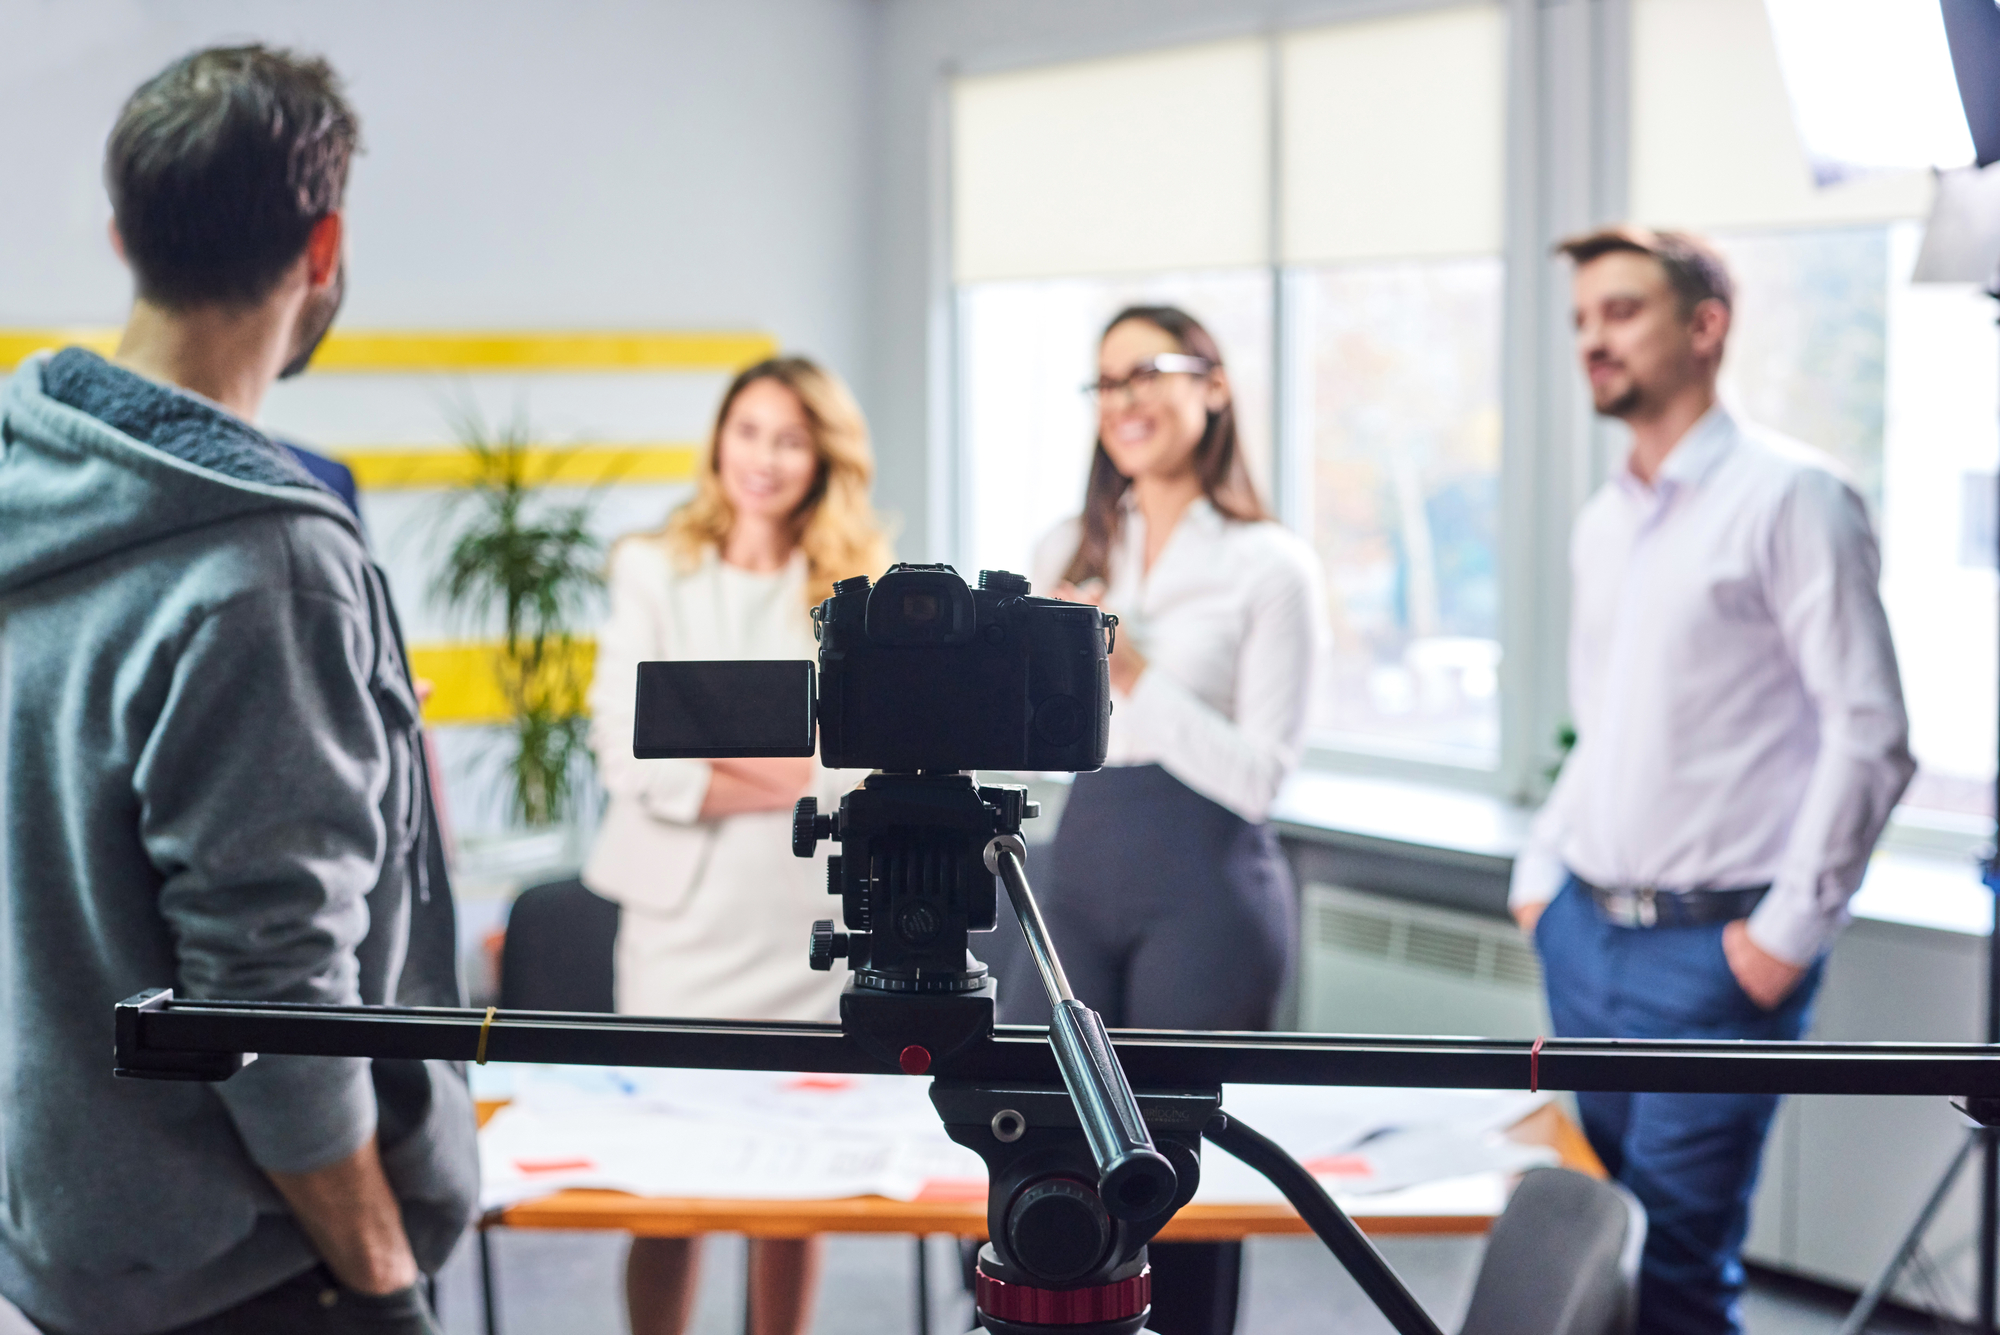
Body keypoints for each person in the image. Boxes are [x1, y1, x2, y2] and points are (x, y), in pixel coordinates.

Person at [0, 45, 477, 1335]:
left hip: (67, 1255)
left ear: (122, 236)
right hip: (264, 1276)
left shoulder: (25, 478)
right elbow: (270, 1001)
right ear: (322, 250)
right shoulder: (270, 563)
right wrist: (381, 1277)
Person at [1511, 226, 1914, 1335]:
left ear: (1704, 327)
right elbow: (1601, 728)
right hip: (1584, 937)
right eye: (1582, 319)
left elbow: (1869, 733)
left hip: (1713, 960)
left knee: (1679, 1272)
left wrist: (1783, 937)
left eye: (1622, 312)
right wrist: (1539, 878)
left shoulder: (1793, 499)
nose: (1593, 339)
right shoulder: (1604, 521)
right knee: (1598, 1245)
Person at [1000, 305, 1325, 1335]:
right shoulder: (1069, 546)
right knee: (1036, 1142)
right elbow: (1033, 737)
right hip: (1081, 868)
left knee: (1178, 1180)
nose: (1124, 399)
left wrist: (1128, 669)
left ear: (1212, 388)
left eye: (1148, 372)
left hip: (1206, 885)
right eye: (1105, 381)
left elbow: (1259, 776)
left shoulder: (1269, 565)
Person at [581, 356, 892, 1335]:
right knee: (667, 1193)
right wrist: (790, 758)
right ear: (719, 440)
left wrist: (715, 744)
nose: (764, 458)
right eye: (749, 431)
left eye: (790, 439)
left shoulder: (858, 587)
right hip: (680, 936)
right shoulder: (651, 567)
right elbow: (627, 748)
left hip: (805, 927)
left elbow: (860, 765)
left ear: (822, 457)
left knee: (787, 1196)